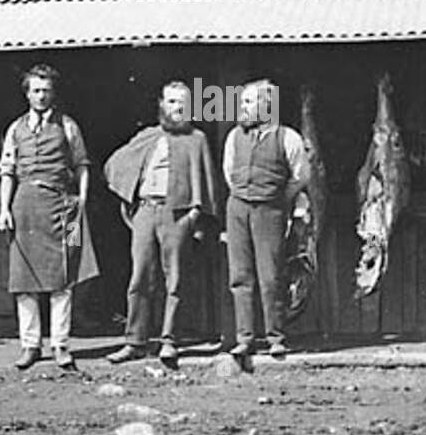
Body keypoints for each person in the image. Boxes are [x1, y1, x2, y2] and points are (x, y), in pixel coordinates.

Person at [102, 81, 221, 366]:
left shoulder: (197, 138)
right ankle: (135, 341)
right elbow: (117, 164)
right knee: (140, 277)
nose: (176, 108)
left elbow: (205, 180)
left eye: (182, 103)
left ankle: (170, 340)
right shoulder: (148, 135)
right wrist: (129, 197)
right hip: (146, 210)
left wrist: (195, 212)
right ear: (161, 104)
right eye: (171, 102)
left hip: (177, 214)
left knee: (175, 278)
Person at [0, 64, 99, 371]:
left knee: (63, 278)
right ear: (27, 93)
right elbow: (7, 172)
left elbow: (81, 164)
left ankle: (60, 344)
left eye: (46, 91)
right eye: (36, 90)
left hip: (62, 206)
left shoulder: (68, 126)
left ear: (53, 93)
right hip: (24, 205)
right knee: (24, 280)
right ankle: (30, 346)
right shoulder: (15, 129)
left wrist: (81, 199)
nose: (41, 96)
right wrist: (4, 209)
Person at [221, 79, 309, 363]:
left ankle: (276, 338)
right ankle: (245, 338)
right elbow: (228, 171)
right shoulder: (235, 137)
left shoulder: (288, 138)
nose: (242, 108)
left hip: (270, 210)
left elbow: (300, 177)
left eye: (248, 102)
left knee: (270, 275)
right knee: (240, 275)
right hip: (238, 208)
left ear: (266, 105)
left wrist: (276, 199)